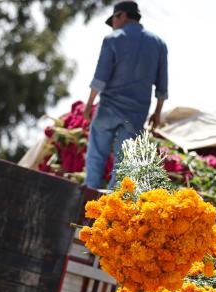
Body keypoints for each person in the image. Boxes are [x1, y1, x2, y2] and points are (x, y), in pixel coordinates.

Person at [83, 0, 168, 189]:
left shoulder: (113, 39)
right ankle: (112, 207)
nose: (112, 24)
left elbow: (100, 78)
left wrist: (89, 104)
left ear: (122, 15)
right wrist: (157, 112)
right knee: (123, 167)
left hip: (109, 109)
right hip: (135, 114)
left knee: (96, 154)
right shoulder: (158, 44)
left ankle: (88, 194)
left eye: (113, 19)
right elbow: (162, 86)